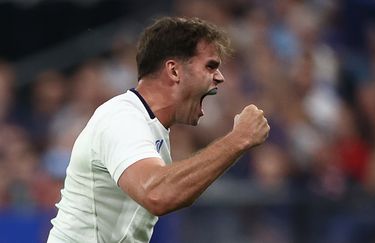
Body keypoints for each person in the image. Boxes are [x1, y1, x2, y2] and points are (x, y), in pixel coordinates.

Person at [47, 16, 270, 243]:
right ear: (174, 71)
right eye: (210, 66)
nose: (220, 77)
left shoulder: (151, 128)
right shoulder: (123, 118)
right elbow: (157, 194)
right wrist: (237, 140)